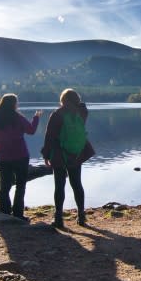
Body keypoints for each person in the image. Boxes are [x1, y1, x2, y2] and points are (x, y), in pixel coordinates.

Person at [41, 88, 95, 228]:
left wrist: (46, 155)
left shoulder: (57, 114)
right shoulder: (82, 112)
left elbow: (50, 136)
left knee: (59, 186)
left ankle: (58, 218)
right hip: (76, 153)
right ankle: (81, 216)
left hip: (59, 154)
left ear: (63, 100)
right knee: (77, 184)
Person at [0, 94, 42, 221]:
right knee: (20, 185)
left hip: (4, 157)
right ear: (14, 104)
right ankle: (18, 214)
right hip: (20, 156)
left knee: (4, 186)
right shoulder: (17, 117)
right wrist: (36, 118)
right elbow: (31, 130)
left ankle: (4, 211)